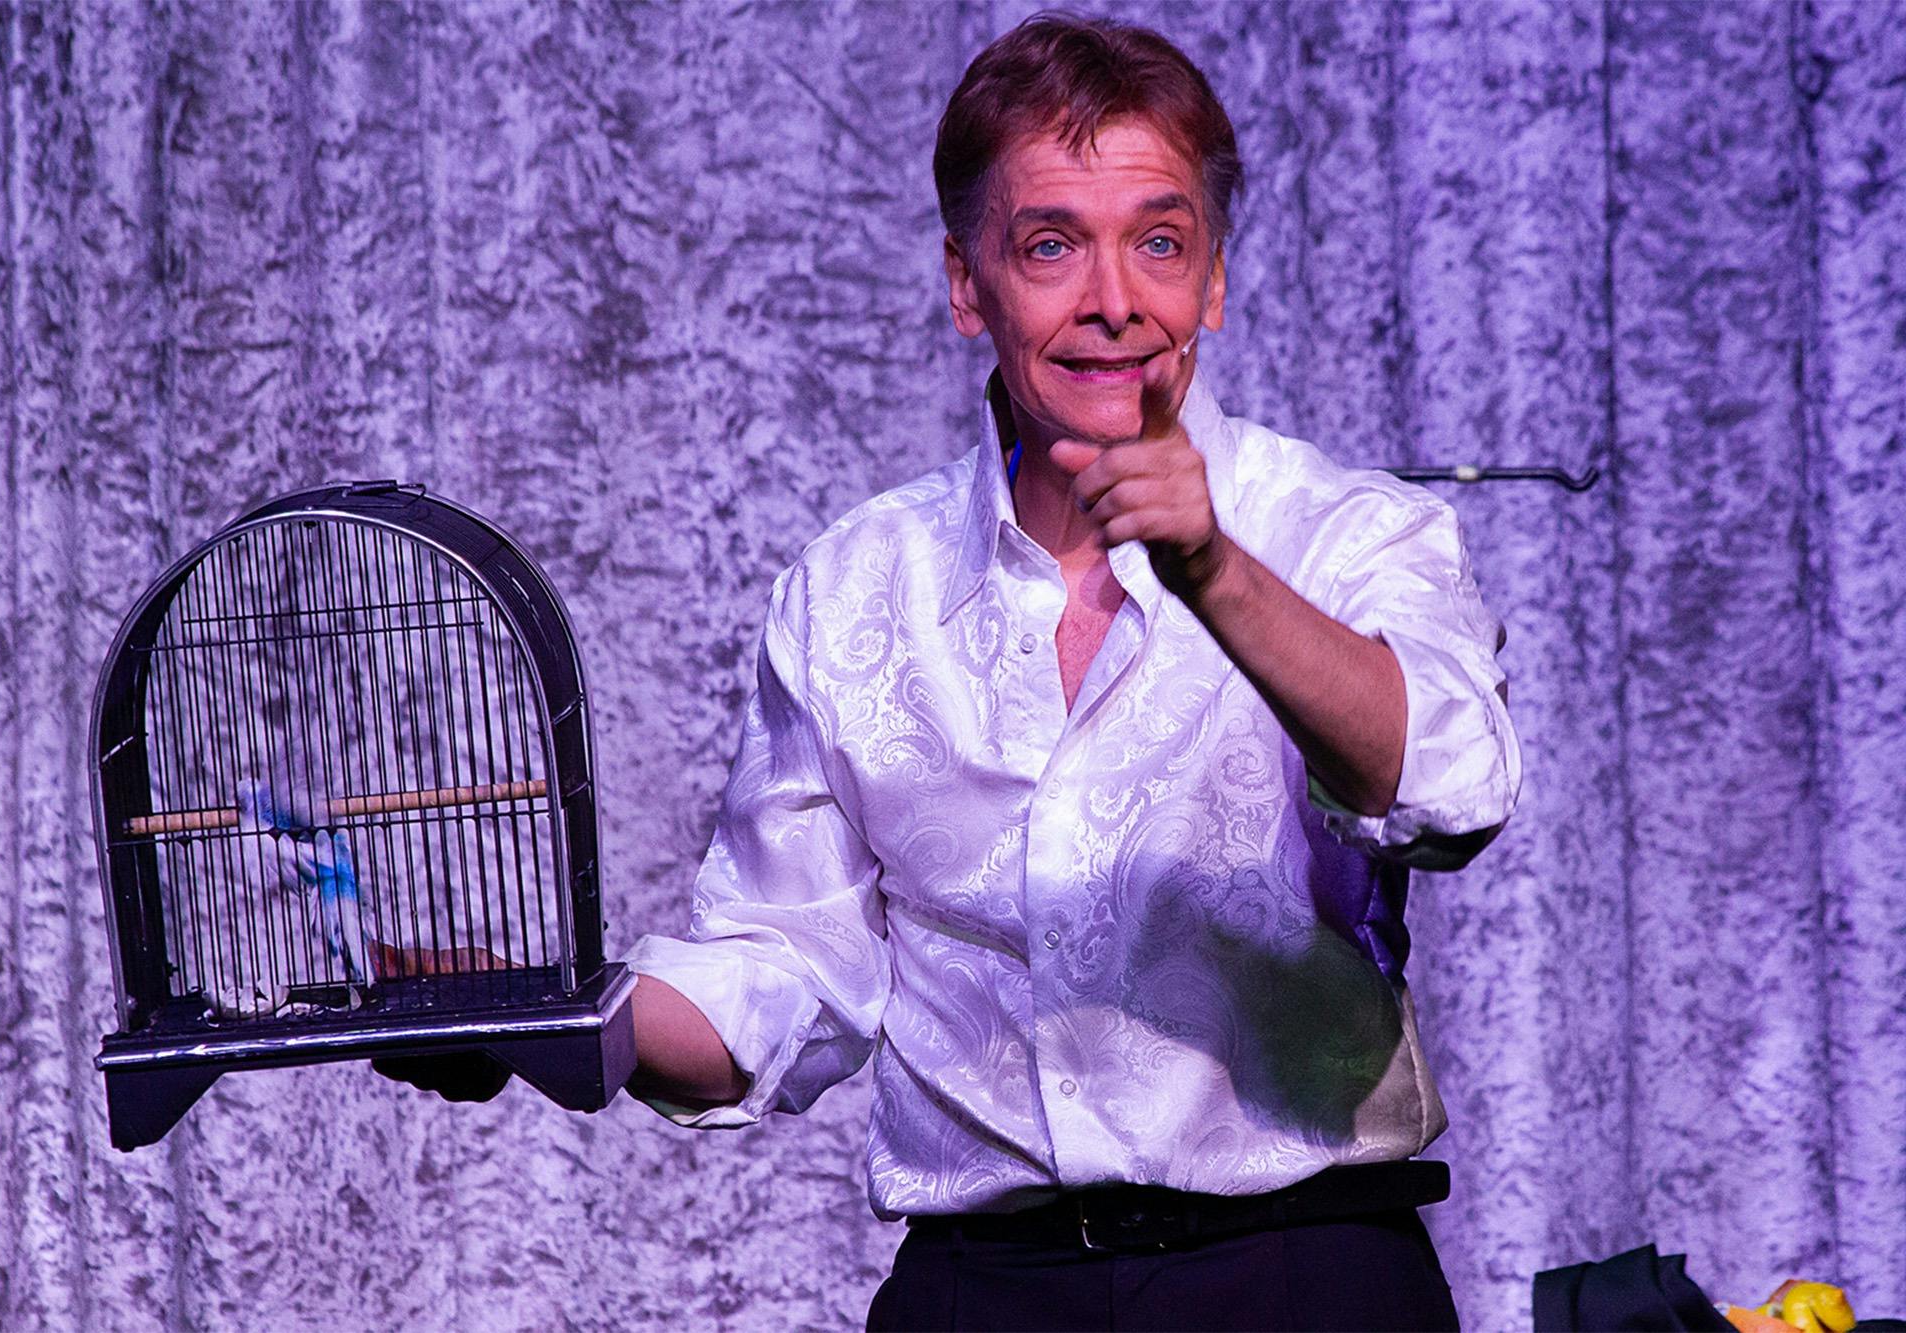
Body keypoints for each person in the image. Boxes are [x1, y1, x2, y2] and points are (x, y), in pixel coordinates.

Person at [621, 14, 1520, 1331]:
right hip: (986, 1294)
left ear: (1213, 279)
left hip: (1304, 1276)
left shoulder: (1351, 532)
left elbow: (1452, 786)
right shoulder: (853, 586)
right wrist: (553, 1022)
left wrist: (1212, 571)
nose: (1113, 300)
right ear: (967, 283)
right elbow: (779, 970)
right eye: (1051, 245)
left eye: (1160, 243)